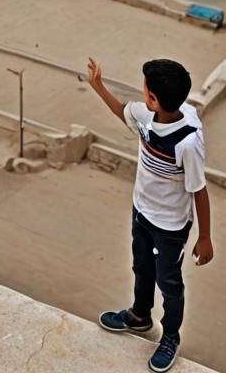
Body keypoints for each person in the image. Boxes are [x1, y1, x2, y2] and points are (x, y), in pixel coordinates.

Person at [86, 57, 212, 373]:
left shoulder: (187, 142)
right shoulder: (147, 114)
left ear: (153, 97)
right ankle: (139, 317)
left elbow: (199, 189)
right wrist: (99, 87)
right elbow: (122, 112)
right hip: (141, 210)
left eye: (145, 87)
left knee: (169, 282)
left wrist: (205, 237)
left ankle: (170, 336)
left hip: (170, 226)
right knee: (141, 266)